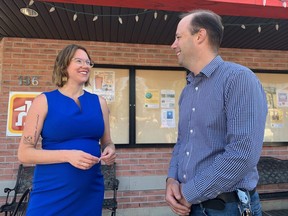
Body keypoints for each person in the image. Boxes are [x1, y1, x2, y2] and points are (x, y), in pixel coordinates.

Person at [165, 9, 267, 216]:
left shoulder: (238, 79)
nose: (173, 45)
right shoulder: (188, 90)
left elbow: (243, 154)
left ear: (199, 36)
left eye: (178, 37)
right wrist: (171, 180)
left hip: (228, 208)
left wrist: (189, 192)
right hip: (191, 206)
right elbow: (182, 143)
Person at [17, 44, 116, 215]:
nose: (85, 65)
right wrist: (68, 155)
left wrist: (110, 149)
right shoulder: (44, 101)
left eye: (88, 62)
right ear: (64, 65)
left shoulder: (100, 103)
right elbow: (24, 153)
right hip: (51, 191)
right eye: (79, 61)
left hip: (90, 190)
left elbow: (107, 141)